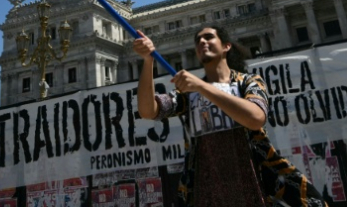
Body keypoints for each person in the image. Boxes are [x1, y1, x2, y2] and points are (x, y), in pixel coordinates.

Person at [134, 24, 327, 207]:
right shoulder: (189, 93)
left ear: (227, 46)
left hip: (252, 184)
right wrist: (148, 61)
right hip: (205, 189)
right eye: (198, 40)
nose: (202, 42)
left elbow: (255, 118)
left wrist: (202, 87)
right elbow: (148, 110)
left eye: (209, 37)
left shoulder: (248, 82)